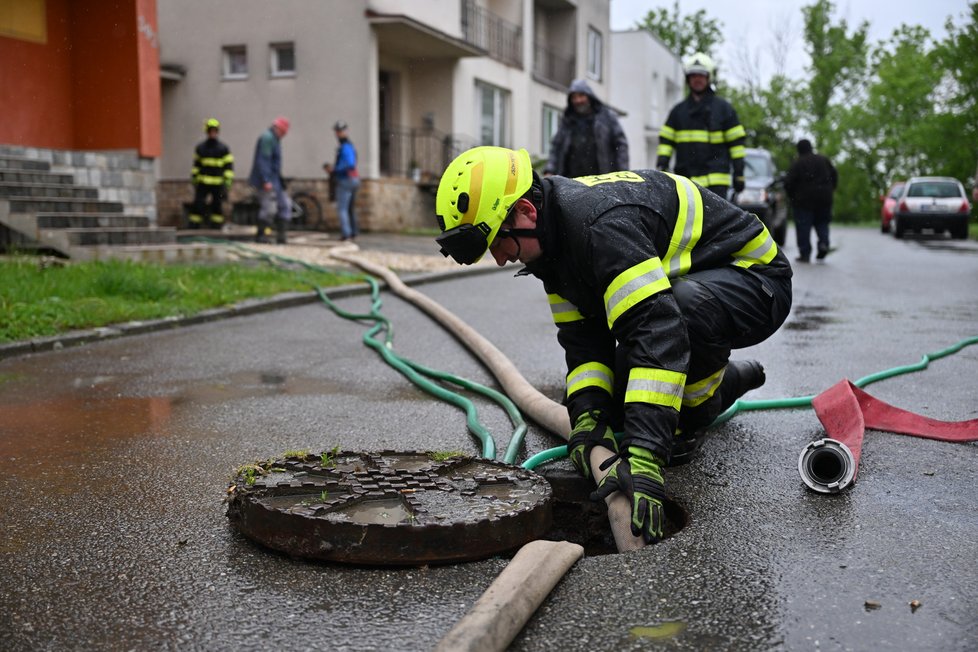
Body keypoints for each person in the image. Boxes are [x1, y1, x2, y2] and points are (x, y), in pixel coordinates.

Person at [433, 146, 792, 544]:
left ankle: (698, 411)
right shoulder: (550, 247)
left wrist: (645, 454)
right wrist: (588, 419)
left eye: (500, 244)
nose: (501, 259)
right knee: (623, 403)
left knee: (679, 325)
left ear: (526, 212)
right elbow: (584, 343)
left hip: (755, 281)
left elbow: (658, 331)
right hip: (691, 287)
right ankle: (724, 385)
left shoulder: (599, 226)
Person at [656, 52, 747, 200]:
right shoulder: (678, 112)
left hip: (716, 184)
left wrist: (739, 173)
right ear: (687, 79)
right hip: (685, 182)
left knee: (716, 223)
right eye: (693, 76)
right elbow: (666, 141)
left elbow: (737, 145)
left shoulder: (724, 109)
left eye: (701, 75)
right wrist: (662, 165)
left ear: (709, 77)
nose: (697, 79)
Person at [544, 78, 628, 178]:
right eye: (574, 97)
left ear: (589, 96)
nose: (578, 100)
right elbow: (556, 147)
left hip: (601, 180)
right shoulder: (567, 121)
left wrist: (622, 173)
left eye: (581, 96)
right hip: (571, 181)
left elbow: (621, 144)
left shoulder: (606, 117)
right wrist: (550, 169)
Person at [783, 139, 838, 262]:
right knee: (822, 223)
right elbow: (834, 175)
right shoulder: (823, 160)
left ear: (799, 150)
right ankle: (823, 243)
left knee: (803, 227)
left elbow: (788, 182)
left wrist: (792, 197)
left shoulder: (797, 163)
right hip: (824, 198)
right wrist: (831, 189)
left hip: (803, 201)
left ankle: (805, 253)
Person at [248, 116, 290, 244]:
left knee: (285, 205)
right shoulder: (268, 138)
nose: (283, 135)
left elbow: (274, 163)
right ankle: (261, 236)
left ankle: (281, 236)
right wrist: (266, 180)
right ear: (278, 128)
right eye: (283, 132)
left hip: (275, 179)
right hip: (267, 180)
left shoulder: (275, 139)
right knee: (269, 208)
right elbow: (263, 161)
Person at [188, 118, 234, 229]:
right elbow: (196, 166)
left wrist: (227, 182)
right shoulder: (200, 148)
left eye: (214, 131)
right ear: (207, 132)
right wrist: (194, 178)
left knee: (217, 205)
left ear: (217, 131)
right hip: (203, 182)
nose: (212, 133)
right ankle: (194, 226)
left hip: (217, 183)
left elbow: (228, 167)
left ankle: (216, 226)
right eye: (210, 131)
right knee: (198, 204)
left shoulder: (223, 148)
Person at [323, 121, 360, 241]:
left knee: (342, 208)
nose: (337, 134)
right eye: (337, 131)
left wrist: (335, 170)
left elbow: (350, 164)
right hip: (353, 179)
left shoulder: (346, 146)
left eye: (339, 131)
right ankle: (353, 232)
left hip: (346, 179)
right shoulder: (348, 146)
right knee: (350, 208)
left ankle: (346, 234)